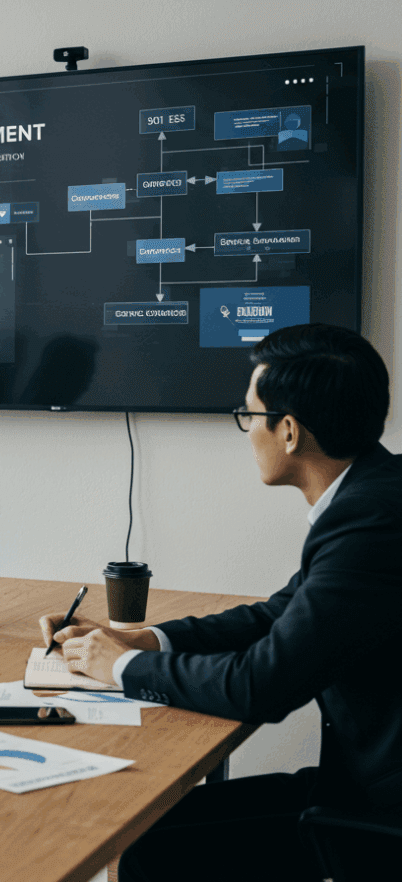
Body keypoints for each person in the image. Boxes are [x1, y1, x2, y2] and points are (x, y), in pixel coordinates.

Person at [38, 324, 402, 882]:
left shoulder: (368, 524)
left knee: (147, 846)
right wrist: (149, 640)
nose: (245, 431)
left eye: (249, 415)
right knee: (150, 829)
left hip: (375, 816)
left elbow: (262, 685)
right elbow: (279, 614)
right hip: (365, 787)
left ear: (288, 432)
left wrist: (122, 668)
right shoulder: (375, 492)